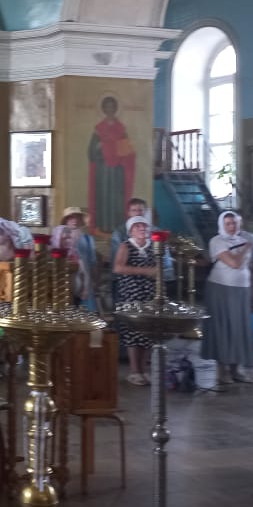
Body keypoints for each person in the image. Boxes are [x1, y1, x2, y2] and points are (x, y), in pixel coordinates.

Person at [203, 212, 253, 386]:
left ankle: (236, 369)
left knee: (239, 327)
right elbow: (234, 263)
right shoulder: (217, 241)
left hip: (242, 288)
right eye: (228, 224)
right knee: (223, 326)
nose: (232, 226)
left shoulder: (246, 239)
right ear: (222, 225)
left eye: (234, 223)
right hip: (221, 288)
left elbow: (249, 266)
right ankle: (222, 371)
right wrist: (245, 248)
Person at [112, 216, 157, 385]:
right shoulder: (126, 246)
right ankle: (134, 370)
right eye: (137, 227)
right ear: (131, 230)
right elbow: (117, 267)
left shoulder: (152, 246)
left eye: (144, 226)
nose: (141, 229)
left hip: (149, 293)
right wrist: (144, 271)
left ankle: (144, 369)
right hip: (131, 293)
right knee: (132, 332)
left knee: (147, 333)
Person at [89, 95, 136, 234]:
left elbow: (128, 151)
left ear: (115, 109)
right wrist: (99, 147)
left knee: (116, 199)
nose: (110, 109)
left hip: (117, 172)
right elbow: (91, 151)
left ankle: (117, 226)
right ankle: (103, 226)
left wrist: (117, 148)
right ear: (103, 109)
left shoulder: (121, 129)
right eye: (107, 107)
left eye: (112, 107)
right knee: (103, 197)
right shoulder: (98, 129)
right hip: (103, 171)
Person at [51, 207, 99, 312]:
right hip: (63, 284)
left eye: (77, 217)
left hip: (85, 281)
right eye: (71, 218)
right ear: (65, 220)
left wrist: (94, 283)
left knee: (86, 315)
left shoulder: (88, 239)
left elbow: (93, 262)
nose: (75, 220)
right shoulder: (58, 237)